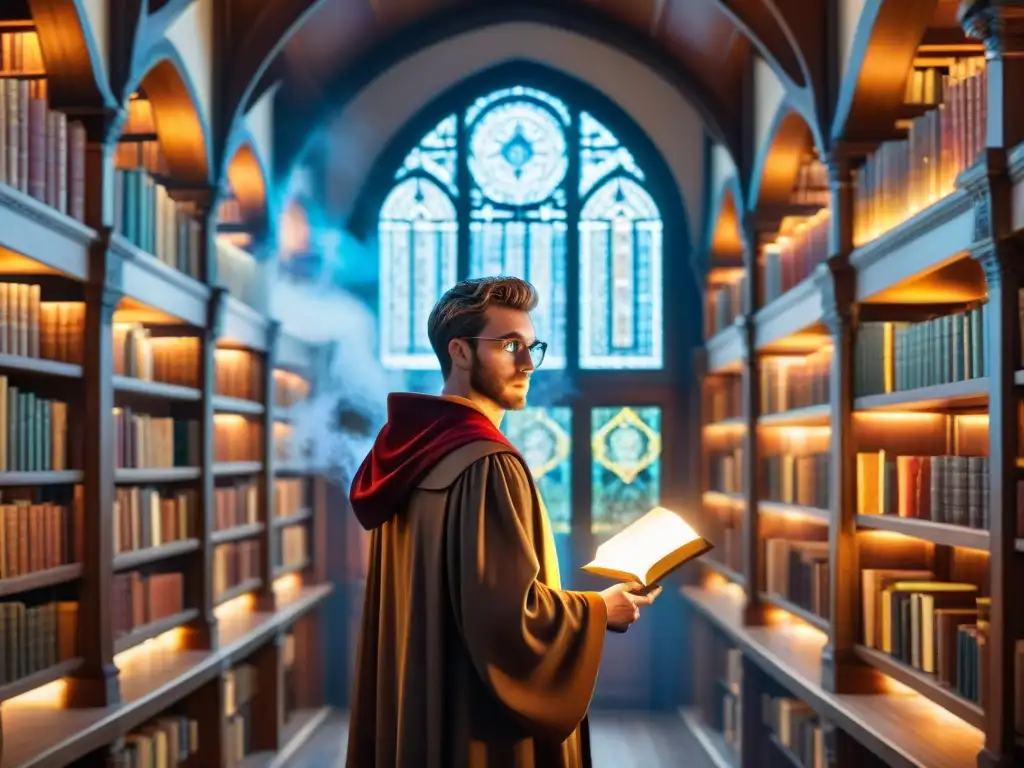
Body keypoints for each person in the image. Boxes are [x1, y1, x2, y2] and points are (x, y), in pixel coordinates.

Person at [346, 276, 662, 768]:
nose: (527, 364)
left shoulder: (405, 449)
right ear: (461, 352)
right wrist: (600, 611)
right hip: (479, 727)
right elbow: (509, 623)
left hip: (423, 703)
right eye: (510, 345)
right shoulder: (486, 462)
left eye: (530, 346)